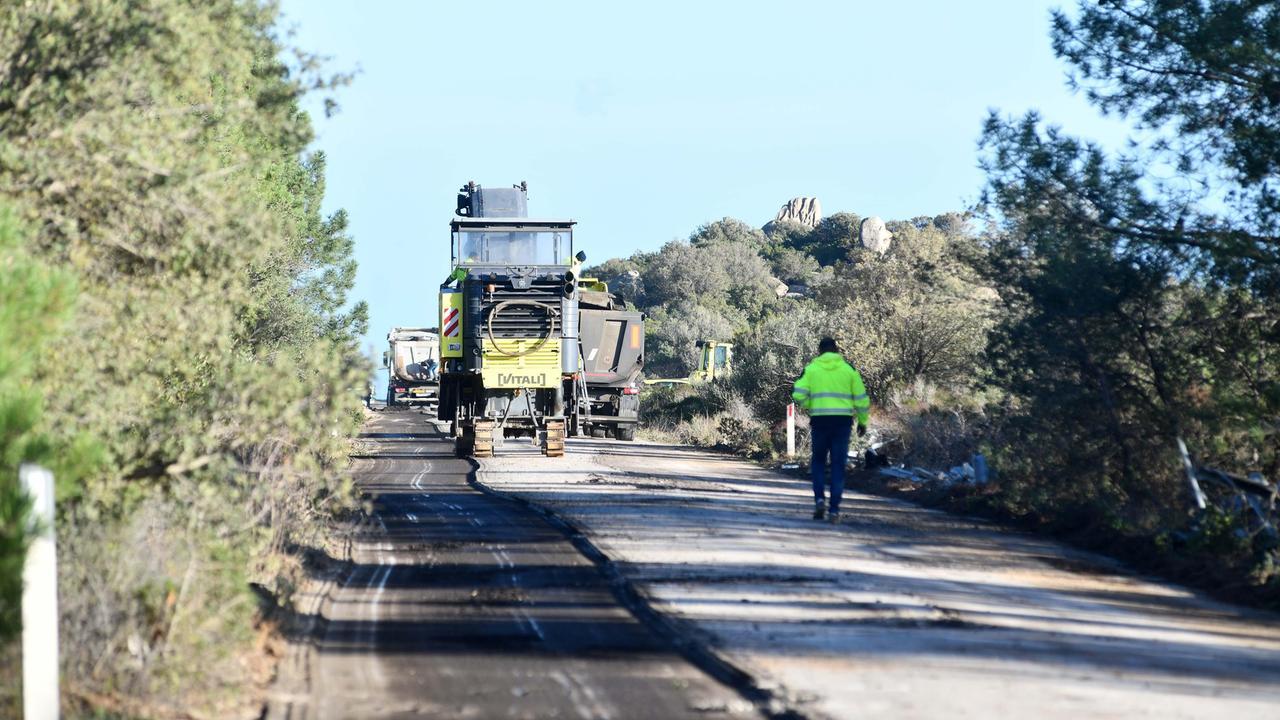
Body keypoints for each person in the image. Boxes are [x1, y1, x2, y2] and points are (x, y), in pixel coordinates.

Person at [792, 337, 871, 524]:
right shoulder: (849, 370)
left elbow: (797, 393)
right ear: (837, 351)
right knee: (838, 465)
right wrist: (862, 421)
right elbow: (861, 398)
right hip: (842, 422)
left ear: (819, 351)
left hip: (819, 420)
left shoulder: (812, 369)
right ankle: (834, 510)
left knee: (818, 462)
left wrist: (811, 405)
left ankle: (819, 500)